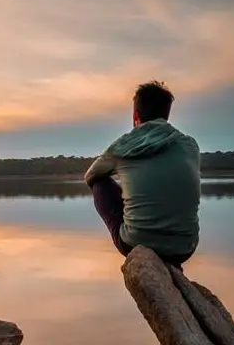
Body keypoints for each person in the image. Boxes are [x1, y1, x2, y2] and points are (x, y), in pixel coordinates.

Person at [84, 80, 200, 267]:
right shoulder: (190, 145)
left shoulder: (123, 145)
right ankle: (172, 266)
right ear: (166, 115)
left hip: (135, 244)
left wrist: (123, 187)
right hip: (185, 248)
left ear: (135, 115)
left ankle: (143, 238)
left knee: (100, 183)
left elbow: (91, 176)